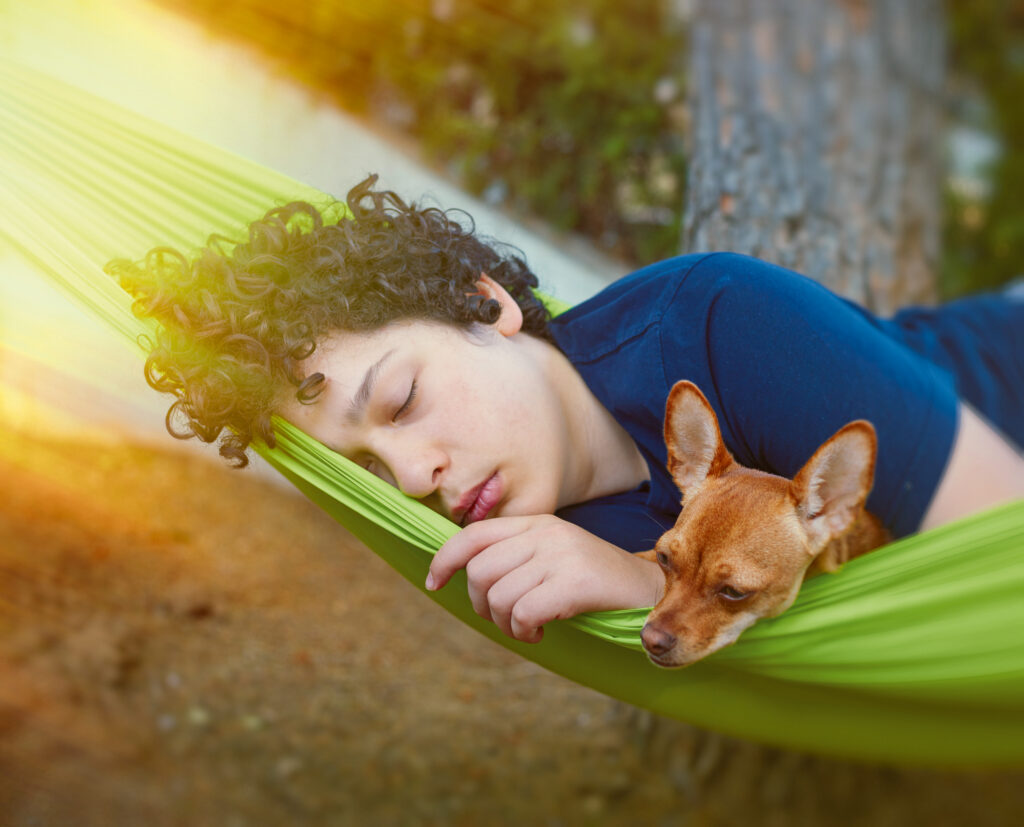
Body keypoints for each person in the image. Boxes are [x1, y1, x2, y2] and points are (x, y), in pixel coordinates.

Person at [110, 175, 1024, 645]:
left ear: (488, 305)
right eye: (370, 472)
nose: (414, 475)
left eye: (403, 397)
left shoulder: (716, 317)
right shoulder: (521, 542)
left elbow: (1003, 558)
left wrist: (647, 584)